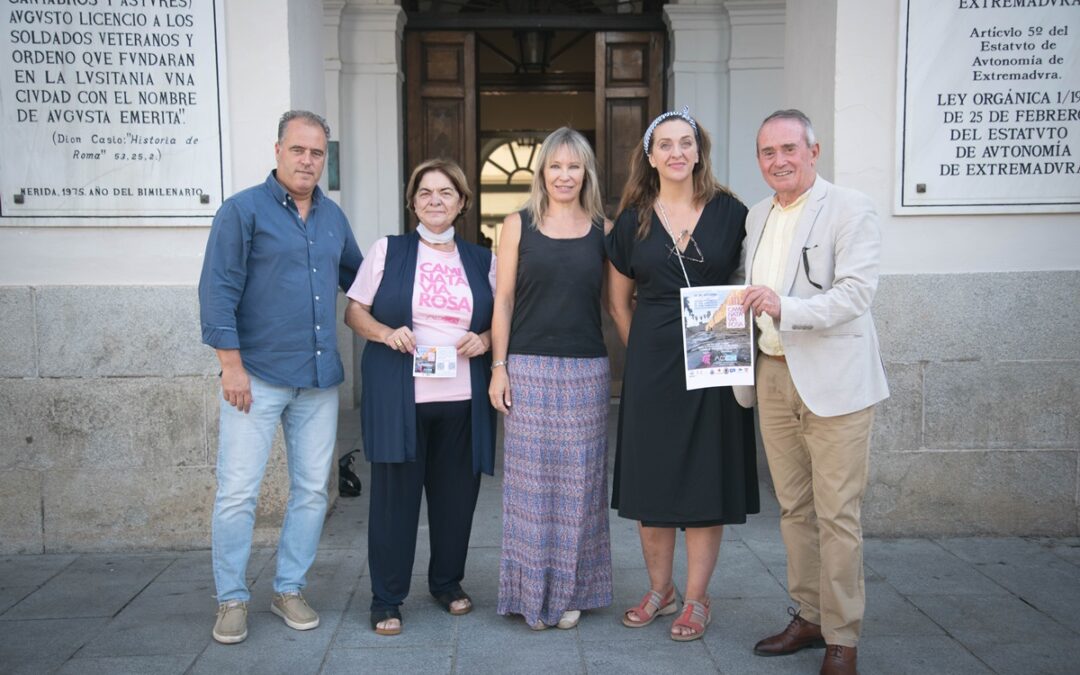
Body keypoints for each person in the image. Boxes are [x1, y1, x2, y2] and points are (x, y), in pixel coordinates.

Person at [199, 110, 362, 645]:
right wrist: (231, 367)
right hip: (257, 377)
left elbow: (363, 280)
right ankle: (231, 598)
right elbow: (218, 291)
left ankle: (289, 588)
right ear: (277, 151)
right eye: (298, 150)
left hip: (317, 380)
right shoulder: (242, 211)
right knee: (237, 494)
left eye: (317, 153)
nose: (307, 161)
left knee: (312, 491)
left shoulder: (333, 218)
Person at [739, 109, 889, 675]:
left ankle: (843, 637)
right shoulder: (757, 215)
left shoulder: (850, 207)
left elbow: (856, 293)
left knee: (837, 515)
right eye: (767, 152)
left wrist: (786, 307)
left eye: (788, 149)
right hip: (774, 374)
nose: (778, 161)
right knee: (794, 509)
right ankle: (809, 615)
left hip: (835, 383)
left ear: (813, 151)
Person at [606, 107, 759, 642]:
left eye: (685, 142)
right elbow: (618, 301)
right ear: (650, 157)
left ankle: (695, 598)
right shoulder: (633, 220)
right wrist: (647, 352)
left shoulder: (732, 212)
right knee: (652, 476)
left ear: (699, 151)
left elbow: (751, 277)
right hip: (653, 362)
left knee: (704, 476)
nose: (677, 152)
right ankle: (659, 590)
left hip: (715, 357)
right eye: (665, 144)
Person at [344, 159, 496, 636]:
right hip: (400, 399)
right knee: (395, 503)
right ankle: (386, 598)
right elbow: (354, 312)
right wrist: (385, 333)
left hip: (462, 400)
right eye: (425, 192)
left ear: (462, 202)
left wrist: (486, 339)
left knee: (456, 500)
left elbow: (505, 319)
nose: (435, 200)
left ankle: (446, 583)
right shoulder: (387, 251)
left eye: (446, 192)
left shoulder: (482, 260)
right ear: (412, 201)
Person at [489, 127, 613, 631]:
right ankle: (529, 593)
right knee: (529, 487)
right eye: (555, 166)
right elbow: (503, 300)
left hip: (586, 370)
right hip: (527, 367)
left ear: (586, 173)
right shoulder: (517, 225)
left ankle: (573, 591)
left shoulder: (605, 230)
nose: (564, 175)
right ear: (542, 172)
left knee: (581, 485)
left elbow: (618, 303)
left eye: (574, 166)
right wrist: (499, 368)